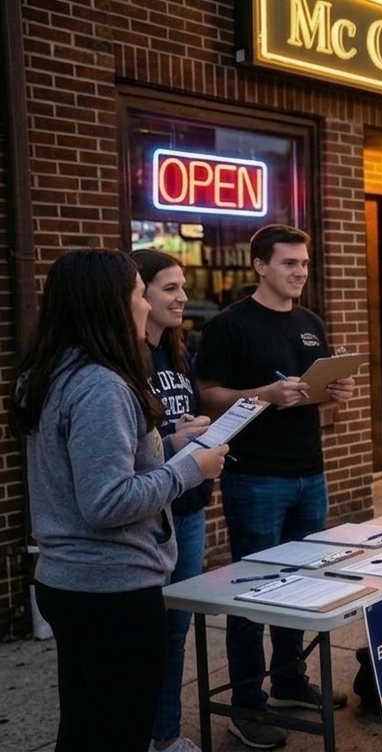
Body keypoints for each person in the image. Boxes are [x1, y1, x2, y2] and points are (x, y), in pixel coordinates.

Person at [13, 249, 225, 752]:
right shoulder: (100, 386)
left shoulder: (52, 373)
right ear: (109, 303)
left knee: (85, 727)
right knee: (117, 731)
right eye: (138, 294)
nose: (148, 307)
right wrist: (187, 470)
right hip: (111, 591)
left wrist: (166, 446)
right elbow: (106, 501)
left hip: (71, 584)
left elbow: (89, 467)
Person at [197, 224, 357, 750]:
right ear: (260, 266)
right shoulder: (229, 326)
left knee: (300, 586)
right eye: (289, 263)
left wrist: (335, 391)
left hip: (310, 472)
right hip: (255, 476)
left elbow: (320, 397)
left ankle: (288, 679)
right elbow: (208, 394)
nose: (300, 272)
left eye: (305, 264)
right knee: (254, 590)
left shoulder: (310, 323)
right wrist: (263, 394)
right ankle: (247, 703)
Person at [135, 250, 217, 752]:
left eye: (183, 286)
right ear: (138, 295)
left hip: (187, 506)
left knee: (175, 630)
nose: (182, 297)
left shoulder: (179, 352)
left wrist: (191, 431)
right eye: (169, 288)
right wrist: (173, 441)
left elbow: (172, 424)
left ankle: (165, 734)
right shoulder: (125, 360)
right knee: (146, 636)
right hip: (147, 513)